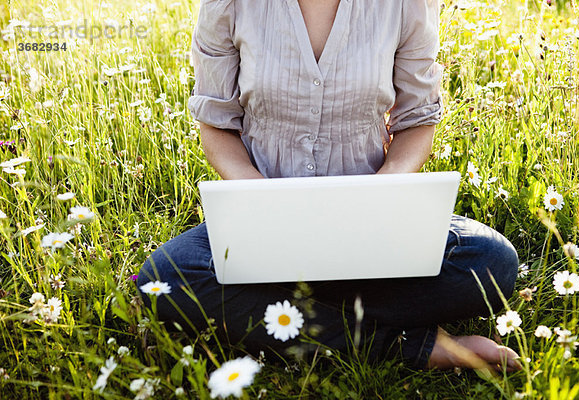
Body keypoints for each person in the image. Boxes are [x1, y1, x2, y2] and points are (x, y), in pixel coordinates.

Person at [136, 0, 521, 371]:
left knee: (492, 261)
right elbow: (216, 125)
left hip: (372, 229)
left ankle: (282, 308)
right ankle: (405, 345)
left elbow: (418, 121)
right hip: (266, 228)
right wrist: (261, 198)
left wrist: (383, 189)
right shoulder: (230, 3)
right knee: (167, 277)